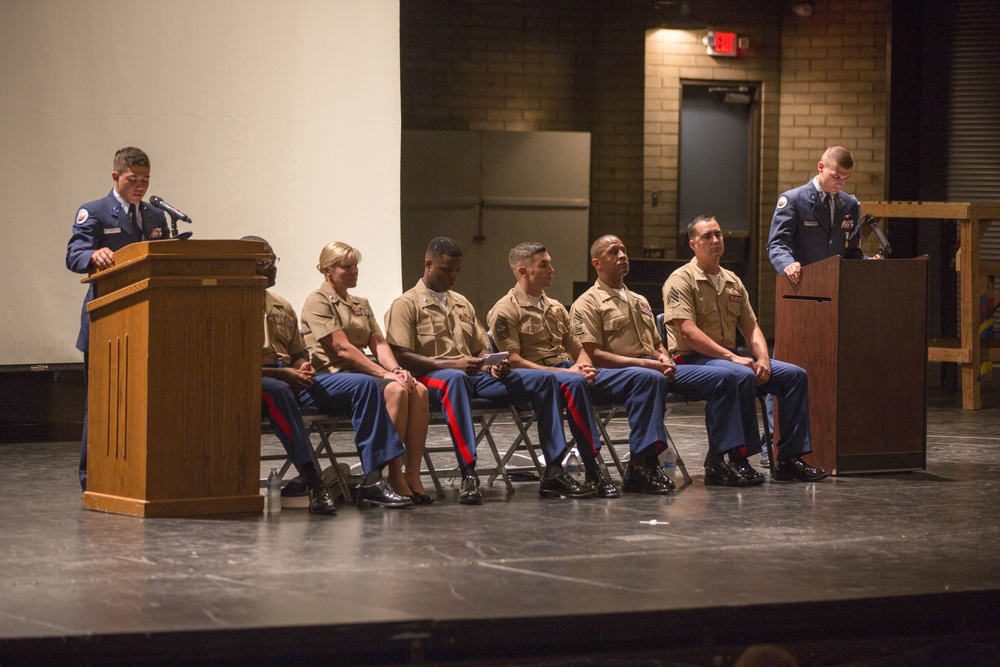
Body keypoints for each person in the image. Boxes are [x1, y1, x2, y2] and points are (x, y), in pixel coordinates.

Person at [384, 237, 595, 504]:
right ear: (428, 265)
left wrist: (493, 363)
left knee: (544, 379)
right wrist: (453, 364)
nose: (453, 276)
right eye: (446, 269)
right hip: (431, 376)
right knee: (456, 379)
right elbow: (401, 355)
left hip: (473, 374)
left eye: (457, 270)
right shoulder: (406, 304)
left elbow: (480, 349)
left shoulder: (461, 303)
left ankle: (554, 469)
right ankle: (469, 473)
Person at [571, 234, 756, 489]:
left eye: (624, 250)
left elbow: (657, 343)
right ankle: (642, 465)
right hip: (613, 375)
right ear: (597, 263)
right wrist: (648, 365)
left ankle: (720, 461)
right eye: (613, 252)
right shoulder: (587, 303)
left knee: (725, 377)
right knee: (650, 378)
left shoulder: (639, 300)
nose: (622, 256)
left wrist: (663, 357)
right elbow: (592, 355)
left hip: (654, 371)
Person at [246, 236, 412, 510]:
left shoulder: (282, 305)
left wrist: (301, 367)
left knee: (365, 386)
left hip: (297, 377)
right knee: (282, 390)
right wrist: (287, 374)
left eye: (274, 261)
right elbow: (341, 348)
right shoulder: (231, 304)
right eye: (264, 262)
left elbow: (298, 353)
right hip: (260, 378)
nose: (272, 267)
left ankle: (372, 479)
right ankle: (313, 479)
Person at [662, 216, 829, 483]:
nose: (715, 240)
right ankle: (731, 460)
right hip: (691, 362)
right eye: (707, 237)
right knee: (739, 374)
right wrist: (733, 357)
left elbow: (751, 327)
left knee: (794, 375)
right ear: (693, 244)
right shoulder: (681, 280)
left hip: (728, 361)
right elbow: (687, 332)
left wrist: (762, 358)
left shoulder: (732, 281)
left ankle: (789, 458)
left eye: (718, 234)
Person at [66, 147, 169, 492]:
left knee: (146, 403)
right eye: (132, 180)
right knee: (101, 404)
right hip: (107, 322)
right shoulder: (94, 212)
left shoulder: (156, 216)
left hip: (149, 323)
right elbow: (74, 253)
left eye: (145, 180)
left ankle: (137, 475)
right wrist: (92, 254)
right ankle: (91, 478)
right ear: (116, 177)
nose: (139, 186)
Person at [300, 241, 433, 505]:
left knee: (417, 388)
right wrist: (385, 375)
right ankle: (389, 475)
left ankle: (412, 474)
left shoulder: (360, 303)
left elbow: (378, 343)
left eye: (356, 266)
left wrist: (395, 369)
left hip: (360, 376)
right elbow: (342, 348)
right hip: (329, 377)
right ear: (327, 270)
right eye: (346, 267)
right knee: (393, 388)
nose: (354, 271)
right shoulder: (317, 301)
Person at [486, 242, 620, 498]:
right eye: (544, 265)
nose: (552, 269)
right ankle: (589, 468)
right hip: (532, 376)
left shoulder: (557, 307)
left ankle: (645, 462)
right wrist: (570, 374)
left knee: (640, 379)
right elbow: (513, 360)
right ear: (523, 271)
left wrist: (584, 367)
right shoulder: (506, 309)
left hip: (566, 372)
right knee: (575, 383)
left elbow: (576, 348)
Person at [767, 145, 867, 285]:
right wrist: (788, 264)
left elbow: (851, 251)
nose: (840, 183)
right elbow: (777, 243)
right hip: (801, 283)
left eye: (846, 178)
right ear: (820, 167)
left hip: (836, 286)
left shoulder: (850, 205)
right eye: (835, 176)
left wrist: (868, 262)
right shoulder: (793, 200)